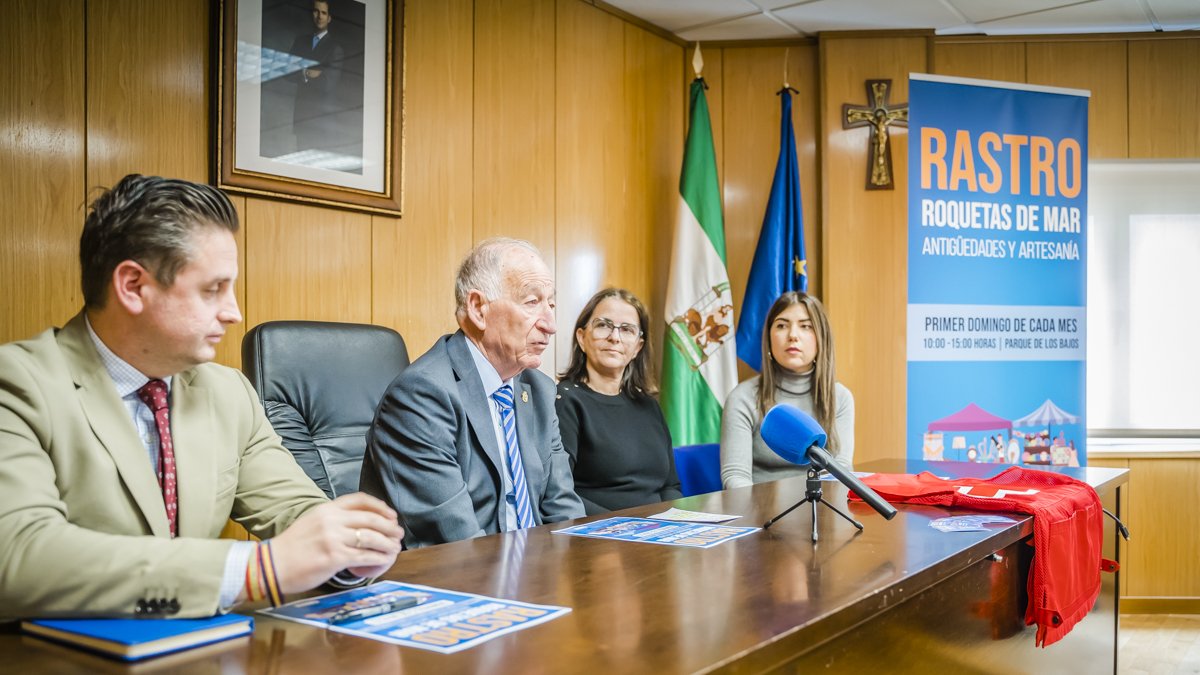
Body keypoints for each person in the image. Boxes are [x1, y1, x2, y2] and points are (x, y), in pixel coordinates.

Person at [0, 175, 402, 620]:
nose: (234, 313)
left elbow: (294, 509)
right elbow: (17, 555)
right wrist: (255, 571)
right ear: (132, 286)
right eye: (213, 290)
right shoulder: (17, 384)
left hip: (200, 646)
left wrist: (349, 550)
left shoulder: (228, 391)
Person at [360, 238, 585, 548]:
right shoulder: (421, 395)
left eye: (551, 305)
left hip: (533, 566)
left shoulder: (540, 390)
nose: (551, 324)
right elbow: (454, 537)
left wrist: (578, 564)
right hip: (460, 569)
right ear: (479, 309)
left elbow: (564, 511)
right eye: (532, 302)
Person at [556, 288, 682, 515]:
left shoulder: (649, 405)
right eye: (603, 325)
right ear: (582, 338)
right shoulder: (565, 400)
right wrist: (626, 525)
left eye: (627, 329)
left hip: (660, 528)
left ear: (637, 347)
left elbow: (670, 486)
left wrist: (675, 520)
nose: (614, 337)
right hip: (599, 530)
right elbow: (560, 492)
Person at [720, 292, 854, 488]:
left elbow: (842, 470)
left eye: (806, 326)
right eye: (782, 325)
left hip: (822, 503)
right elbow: (735, 476)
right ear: (769, 338)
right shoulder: (743, 397)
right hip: (760, 504)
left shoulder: (840, 397)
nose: (792, 335)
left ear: (821, 338)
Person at [289, 0, 345, 152]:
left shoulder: (335, 49)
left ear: (329, 18)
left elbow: (327, 84)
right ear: (311, 14)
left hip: (321, 122)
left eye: (324, 13)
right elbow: (286, 72)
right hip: (302, 117)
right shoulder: (300, 42)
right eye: (316, 11)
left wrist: (301, 71)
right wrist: (308, 73)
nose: (319, 16)